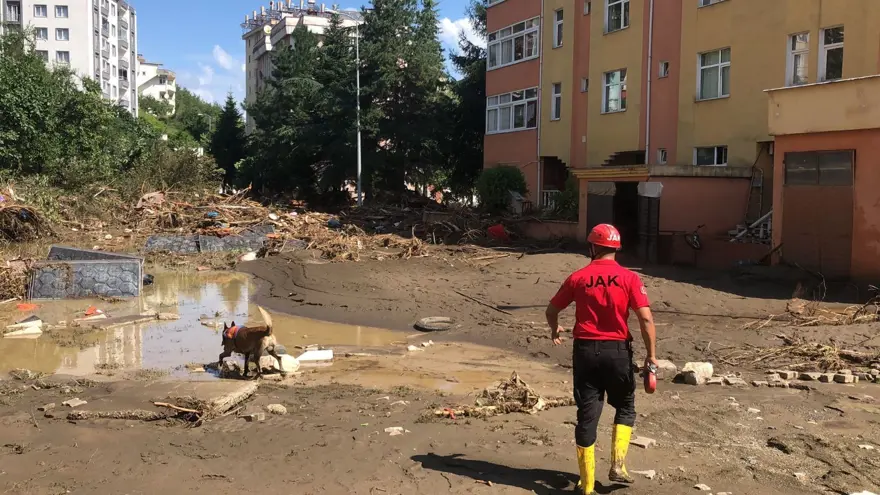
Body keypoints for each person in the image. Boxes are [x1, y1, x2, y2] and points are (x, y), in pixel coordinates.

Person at [545, 223, 657, 495]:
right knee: (626, 406)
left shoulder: (578, 277)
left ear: (593, 247)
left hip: (585, 352)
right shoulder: (630, 279)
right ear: (616, 248)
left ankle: (587, 485)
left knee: (587, 415)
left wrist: (554, 328)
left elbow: (552, 309)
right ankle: (618, 466)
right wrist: (651, 358)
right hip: (617, 351)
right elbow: (645, 319)